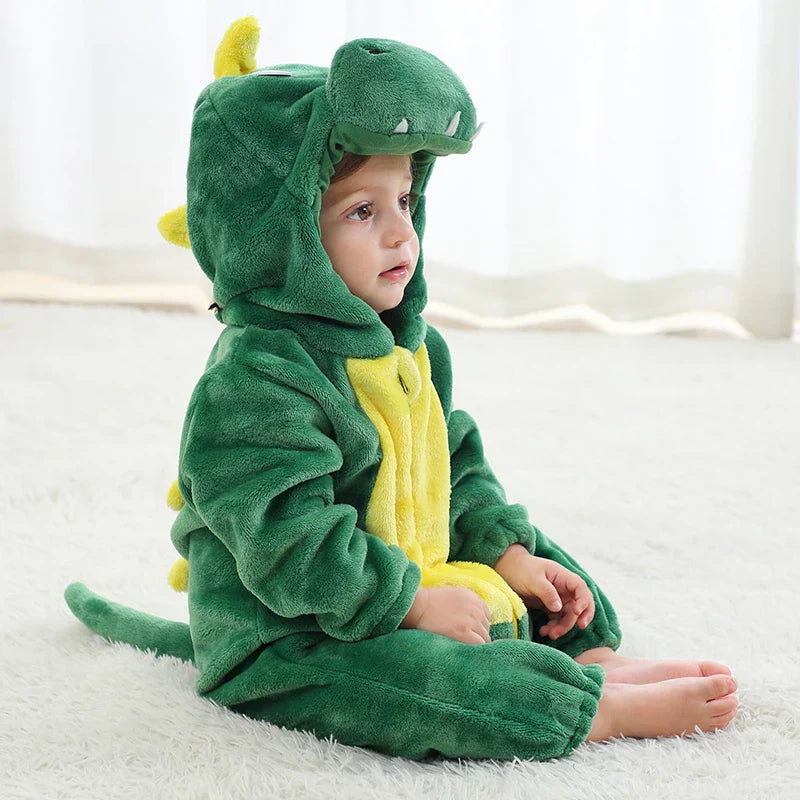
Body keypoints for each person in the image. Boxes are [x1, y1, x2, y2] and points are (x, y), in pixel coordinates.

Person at [64, 19, 738, 761]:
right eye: (362, 211)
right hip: (292, 633)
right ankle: (585, 710)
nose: (400, 236)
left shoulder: (412, 347)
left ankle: (588, 657)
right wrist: (411, 604)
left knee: (541, 564)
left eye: (406, 201)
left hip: (396, 578)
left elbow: (455, 467)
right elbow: (287, 542)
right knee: (424, 686)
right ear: (282, 239)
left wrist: (505, 553)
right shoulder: (254, 382)